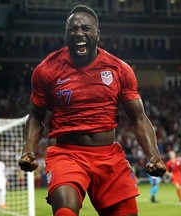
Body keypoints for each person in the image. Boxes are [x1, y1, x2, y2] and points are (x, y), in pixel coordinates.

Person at [18, 4, 166, 216]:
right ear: (66, 34)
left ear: (97, 33)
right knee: (65, 213)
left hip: (108, 157)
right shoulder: (47, 69)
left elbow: (139, 119)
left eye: (86, 28)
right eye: (73, 29)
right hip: (67, 155)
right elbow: (35, 117)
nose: (79, 33)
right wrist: (28, 150)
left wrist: (154, 156)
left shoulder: (119, 69)